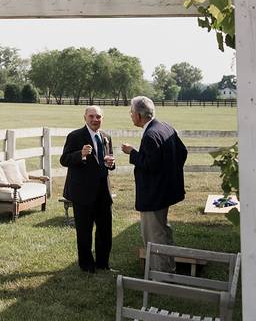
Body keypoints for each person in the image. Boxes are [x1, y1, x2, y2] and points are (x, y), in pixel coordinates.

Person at [120, 96, 188, 272]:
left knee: (153, 235)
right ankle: (170, 267)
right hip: (166, 191)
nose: (131, 115)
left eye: (131, 112)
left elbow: (150, 165)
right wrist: (169, 174)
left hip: (154, 194)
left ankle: (161, 275)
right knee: (163, 229)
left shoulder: (150, 135)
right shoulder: (165, 126)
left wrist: (132, 152)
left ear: (139, 115)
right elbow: (183, 152)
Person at [60, 105, 115, 273]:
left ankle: (103, 264)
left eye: (98, 117)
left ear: (102, 119)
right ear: (85, 118)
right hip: (82, 192)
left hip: (103, 191)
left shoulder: (106, 137)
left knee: (105, 230)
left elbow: (109, 160)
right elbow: (64, 160)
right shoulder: (75, 136)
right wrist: (81, 154)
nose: (95, 120)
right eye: (91, 116)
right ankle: (86, 265)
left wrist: (111, 164)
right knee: (84, 231)